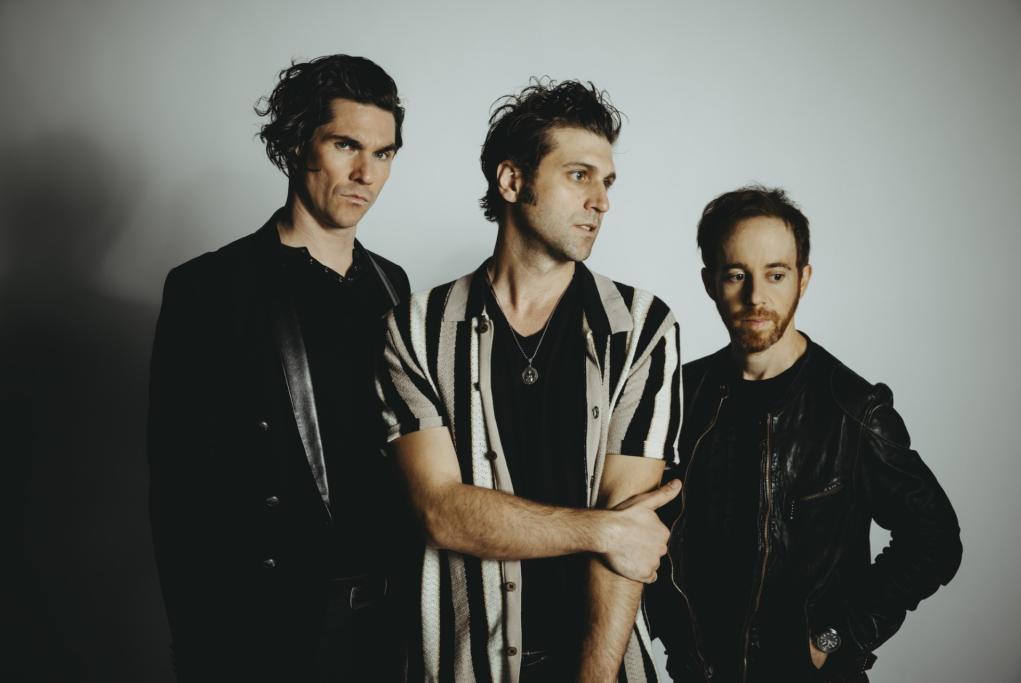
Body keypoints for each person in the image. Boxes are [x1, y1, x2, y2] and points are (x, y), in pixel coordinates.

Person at [375, 79, 682, 683]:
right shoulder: (416, 327)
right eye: (579, 175)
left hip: (605, 663)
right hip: (466, 666)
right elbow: (440, 512)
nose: (601, 201)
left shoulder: (641, 327)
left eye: (608, 181)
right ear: (512, 181)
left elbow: (632, 529)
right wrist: (602, 531)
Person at [147, 54, 411, 682]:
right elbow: (179, 494)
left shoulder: (393, 286)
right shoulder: (212, 288)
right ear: (296, 143)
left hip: (390, 613)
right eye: (346, 145)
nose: (365, 173)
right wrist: (201, 653)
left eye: (383, 153)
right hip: (269, 622)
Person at [650, 186, 963, 682]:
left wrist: (833, 636)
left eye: (776, 275)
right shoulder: (676, 396)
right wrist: (669, 631)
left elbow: (934, 538)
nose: (756, 296)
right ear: (710, 282)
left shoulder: (855, 410)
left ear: (803, 279)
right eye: (737, 275)